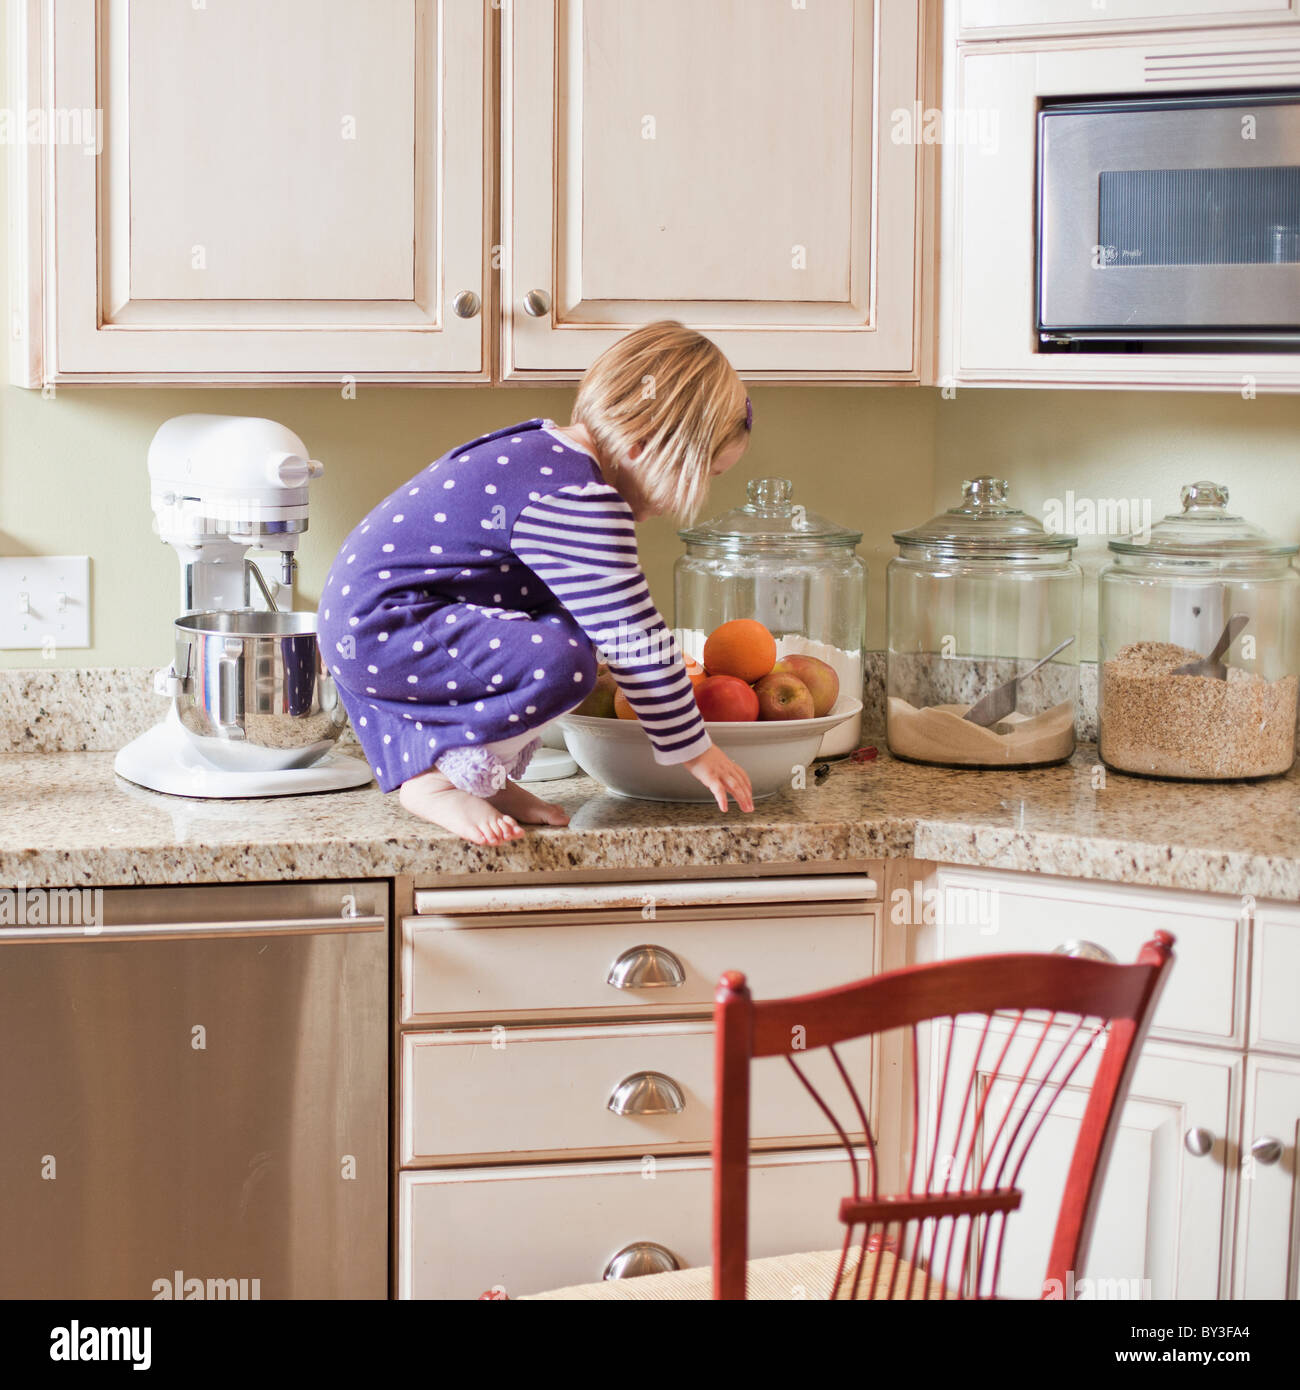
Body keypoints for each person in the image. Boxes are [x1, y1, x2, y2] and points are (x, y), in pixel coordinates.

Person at [318, 320, 756, 845]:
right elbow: (631, 632)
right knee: (563, 663)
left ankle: (485, 778)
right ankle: (431, 784)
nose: (700, 493)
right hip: (385, 629)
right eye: (706, 473)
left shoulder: (545, 454)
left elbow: (605, 618)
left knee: (576, 627)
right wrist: (695, 748)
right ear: (643, 446)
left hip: (375, 624)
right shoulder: (578, 498)